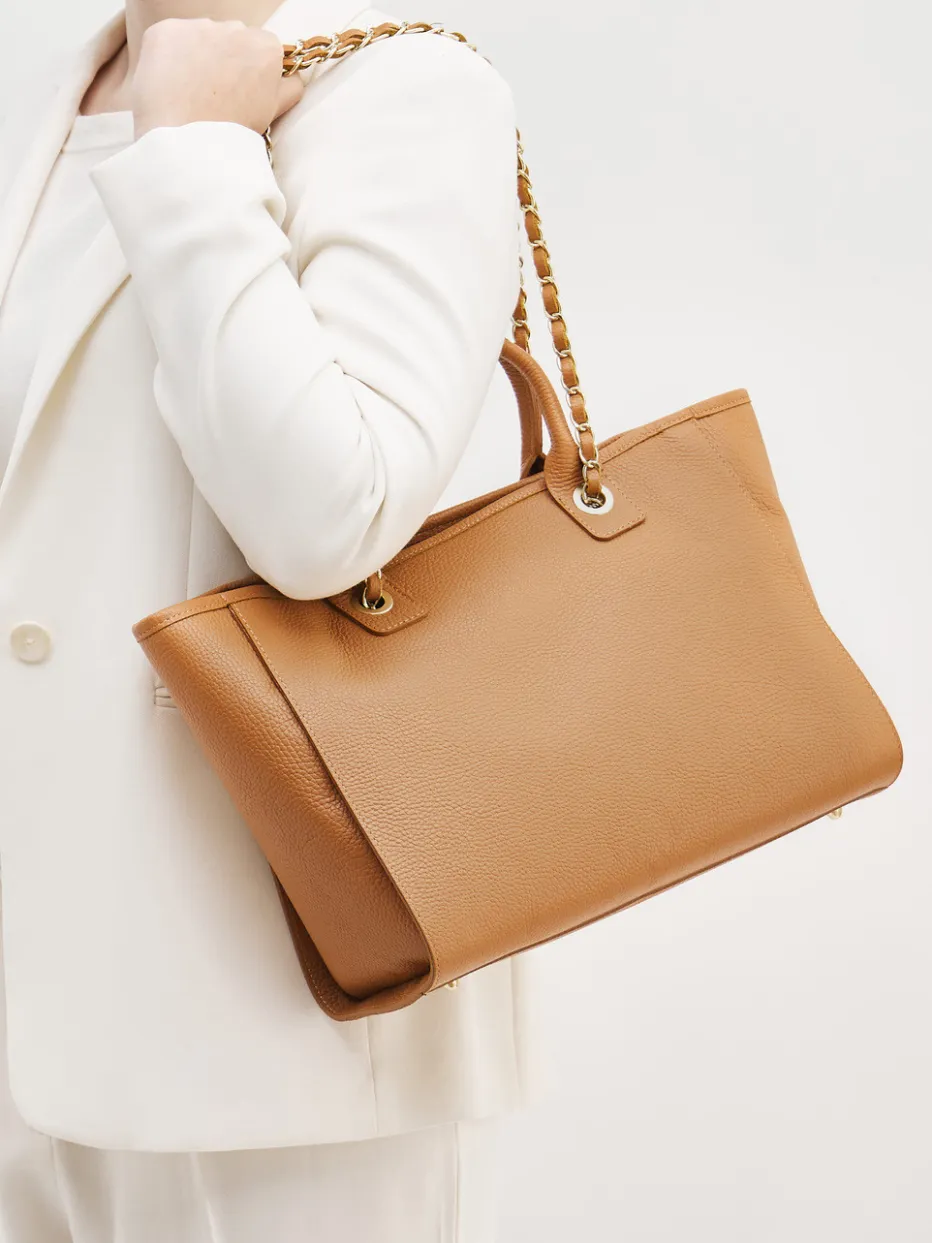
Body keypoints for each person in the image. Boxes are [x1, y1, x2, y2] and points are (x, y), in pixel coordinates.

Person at [0, 0, 549, 1237]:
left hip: (276, 1026)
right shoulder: (41, 97)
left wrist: (195, 150)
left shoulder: (400, 87)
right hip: (34, 1012)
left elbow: (327, 519)